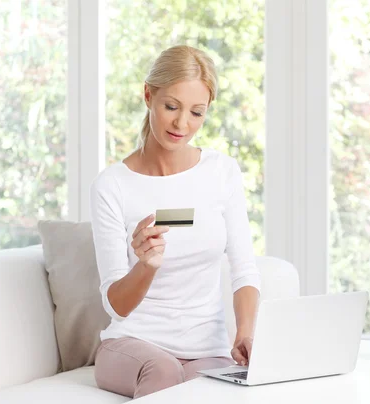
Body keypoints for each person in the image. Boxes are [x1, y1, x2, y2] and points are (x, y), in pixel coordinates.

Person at [89, 44, 261, 399]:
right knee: (164, 371)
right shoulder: (113, 185)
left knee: (221, 390)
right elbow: (116, 304)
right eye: (171, 107)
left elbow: (244, 270)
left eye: (197, 113)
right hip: (132, 344)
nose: (182, 124)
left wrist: (245, 334)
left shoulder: (221, 172)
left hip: (206, 350)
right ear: (148, 95)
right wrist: (145, 266)